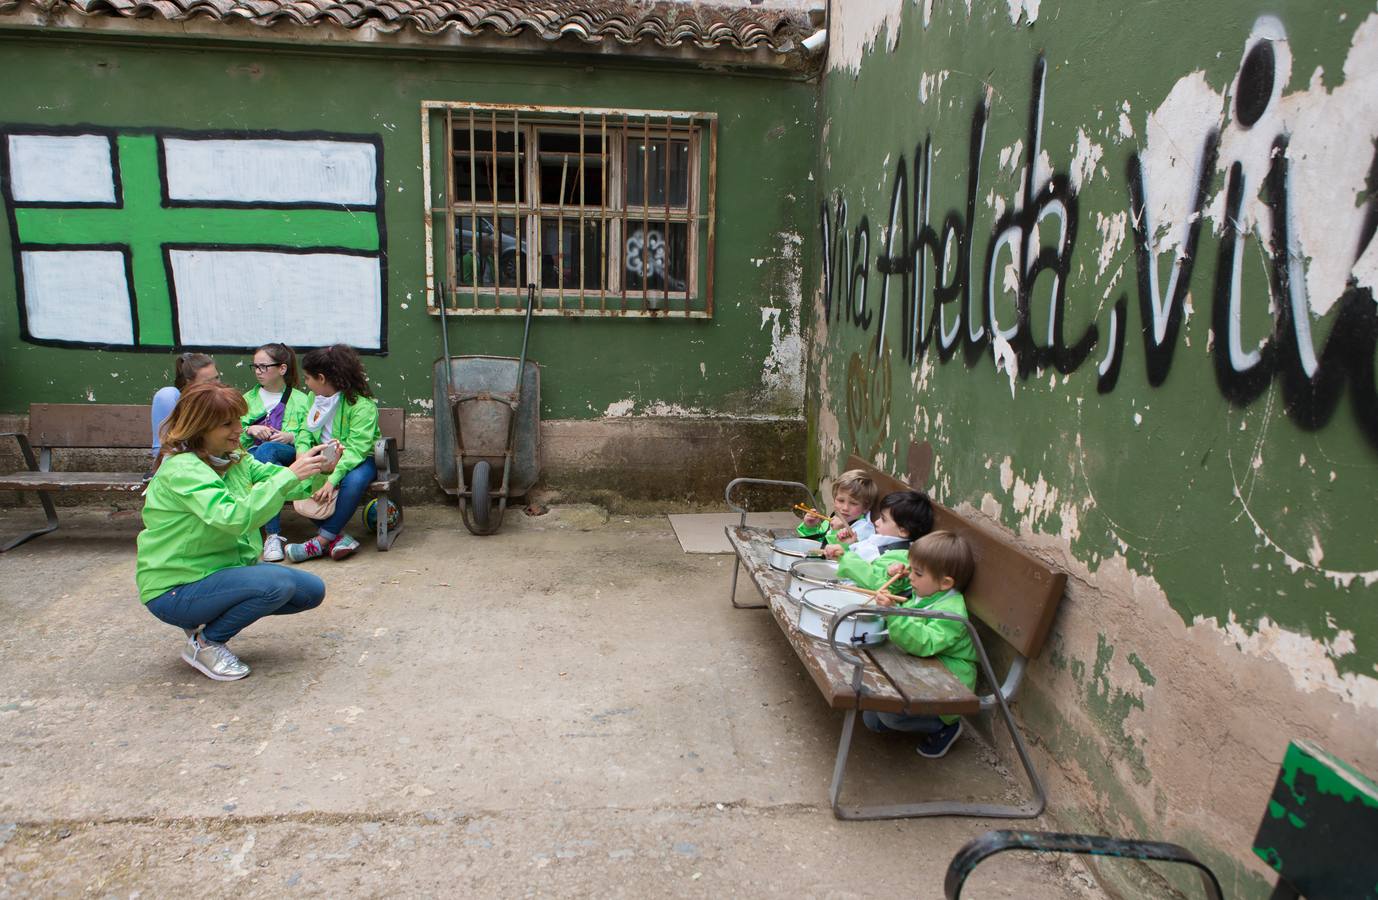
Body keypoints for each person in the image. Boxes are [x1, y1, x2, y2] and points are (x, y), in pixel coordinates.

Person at [137, 382, 331, 681]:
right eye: (227, 424)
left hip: (220, 572)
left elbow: (284, 481)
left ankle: (208, 618)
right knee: (276, 583)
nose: (238, 430)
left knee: (310, 592)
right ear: (200, 427)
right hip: (174, 588)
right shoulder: (182, 470)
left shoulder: (233, 457)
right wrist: (288, 477)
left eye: (239, 420)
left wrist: (319, 467)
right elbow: (233, 518)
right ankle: (206, 644)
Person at [866, 530, 978, 758]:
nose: (910, 577)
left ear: (946, 582)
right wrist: (896, 583)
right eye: (910, 569)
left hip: (949, 678)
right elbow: (910, 604)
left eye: (917, 573)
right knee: (872, 718)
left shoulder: (952, 613)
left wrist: (893, 614)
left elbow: (924, 642)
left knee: (889, 716)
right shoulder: (929, 590)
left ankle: (945, 726)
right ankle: (912, 719)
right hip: (925, 666)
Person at [285, 344, 381, 563]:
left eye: (308, 378)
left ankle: (319, 543)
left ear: (321, 378)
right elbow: (304, 430)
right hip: (323, 457)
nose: (306, 383)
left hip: (358, 460)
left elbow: (357, 449)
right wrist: (302, 455)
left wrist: (332, 480)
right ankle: (339, 539)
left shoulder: (361, 406)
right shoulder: (313, 399)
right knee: (301, 484)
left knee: (353, 481)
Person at [239, 343, 311, 562]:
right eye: (255, 367)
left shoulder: (301, 399)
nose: (258, 372)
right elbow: (232, 434)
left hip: (288, 453)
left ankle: (272, 535)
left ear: (282, 369)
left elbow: (311, 434)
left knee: (268, 448)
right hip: (252, 456)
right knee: (262, 454)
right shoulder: (245, 400)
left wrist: (291, 437)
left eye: (264, 366)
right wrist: (249, 429)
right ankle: (273, 534)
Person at [823, 490, 934, 598]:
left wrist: (844, 556)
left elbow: (876, 583)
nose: (876, 522)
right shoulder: (885, 544)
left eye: (883, 519)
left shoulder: (901, 557)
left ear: (903, 531)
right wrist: (847, 546)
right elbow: (862, 562)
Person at [150, 352, 218, 456]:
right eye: (208, 382)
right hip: (176, 464)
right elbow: (164, 451)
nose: (216, 385)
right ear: (189, 383)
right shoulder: (169, 397)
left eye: (217, 378)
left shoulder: (221, 399)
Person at [797, 469, 877, 545]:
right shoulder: (834, 518)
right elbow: (817, 543)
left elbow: (839, 555)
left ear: (865, 507)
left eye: (853, 503)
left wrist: (837, 530)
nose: (845, 508)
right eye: (841, 501)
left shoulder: (863, 530)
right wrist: (810, 528)